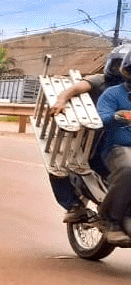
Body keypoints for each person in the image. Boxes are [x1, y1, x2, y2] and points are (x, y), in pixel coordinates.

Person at [44, 44, 128, 223]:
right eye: (116, 65)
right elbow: (75, 88)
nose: (118, 70)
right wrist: (61, 100)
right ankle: (73, 206)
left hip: (117, 138)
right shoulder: (100, 81)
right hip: (92, 137)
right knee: (57, 164)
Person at [94, 50, 131, 245]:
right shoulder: (113, 93)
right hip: (117, 148)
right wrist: (116, 116)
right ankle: (110, 221)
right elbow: (101, 116)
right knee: (128, 169)